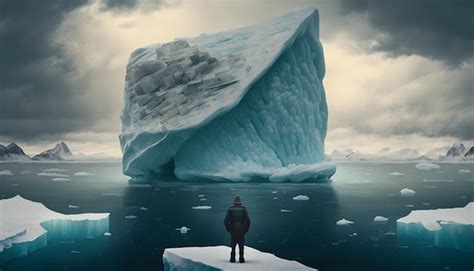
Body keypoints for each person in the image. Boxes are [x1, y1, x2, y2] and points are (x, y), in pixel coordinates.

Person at [224, 195, 251, 263]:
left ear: (234, 202)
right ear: (240, 202)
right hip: (241, 231)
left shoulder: (230, 209)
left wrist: (228, 229)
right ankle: (241, 258)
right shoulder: (243, 209)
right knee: (241, 246)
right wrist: (246, 229)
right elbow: (248, 221)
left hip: (233, 230)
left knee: (233, 245)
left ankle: (232, 258)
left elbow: (225, 221)